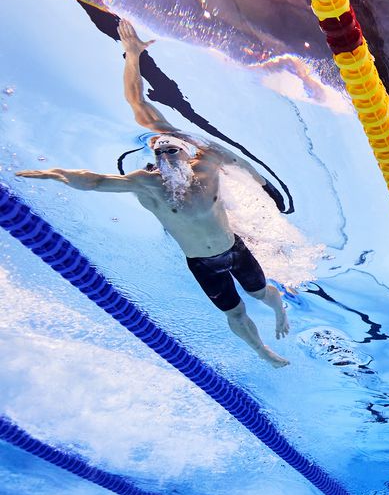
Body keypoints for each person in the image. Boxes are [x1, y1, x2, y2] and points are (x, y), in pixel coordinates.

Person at [18, 20, 291, 366]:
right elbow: (97, 177)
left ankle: (280, 309)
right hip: (201, 264)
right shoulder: (148, 183)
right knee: (235, 314)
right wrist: (57, 174)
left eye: (170, 151)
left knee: (261, 293)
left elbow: (243, 165)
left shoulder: (207, 165)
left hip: (233, 248)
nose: (163, 159)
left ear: (185, 152)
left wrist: (267, 189)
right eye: (158, 155)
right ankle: (262, 351)